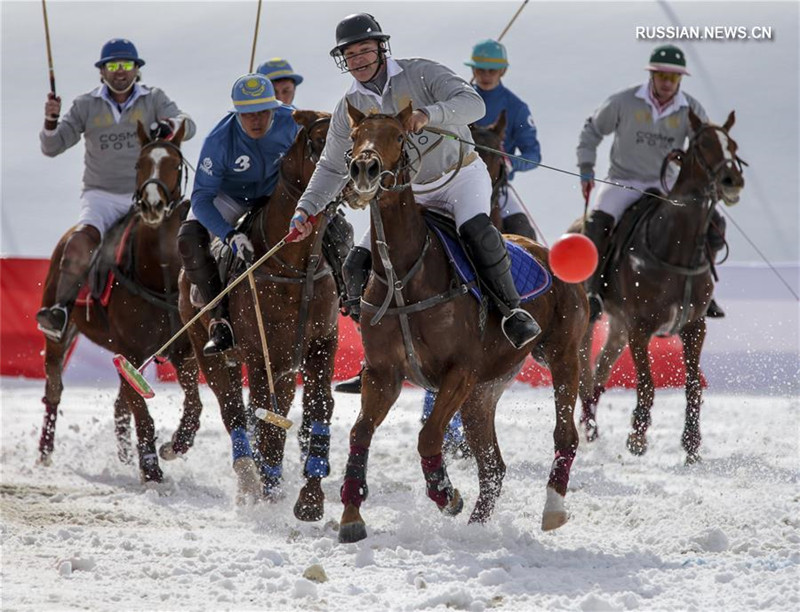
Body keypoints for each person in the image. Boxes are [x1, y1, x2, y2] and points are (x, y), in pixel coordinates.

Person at [289, 13, 542, 393]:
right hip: (412, 194)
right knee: (357, 265)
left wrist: (430, 113)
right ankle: (374, 356)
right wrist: (306, 210)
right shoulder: (350, 105)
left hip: (459, 176)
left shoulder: (421, 73)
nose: (357, 59)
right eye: (349, 54)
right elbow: (330, 165)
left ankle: (512, 313)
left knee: (476, 231)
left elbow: (474, 105)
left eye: (364, 50)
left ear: (380, 48)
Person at [36, 38, 196, 342]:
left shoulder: (153, 98)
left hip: (148, 197)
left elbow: (189, 124)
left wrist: (171, 124)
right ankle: (60, 310)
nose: (119, 71)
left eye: (126, 65)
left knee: (186, 242)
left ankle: (203, 313)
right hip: (102, 197)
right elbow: (52, 147)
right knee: (79, 244)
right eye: (112, 66)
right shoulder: (86, 104)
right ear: (102, 72)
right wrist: (51, 119)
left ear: (136, 69)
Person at [577, 44, 727, 322]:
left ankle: (704, 292)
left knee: (715, 224)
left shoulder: (691, 108)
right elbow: (593, 129)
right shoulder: (624, 101)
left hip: (668, 186)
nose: (667, 83)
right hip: (623, 181)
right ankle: (593, 292)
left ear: (680, 79)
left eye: (673, 77)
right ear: (652, 75)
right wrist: (586, 167)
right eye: (662, 76)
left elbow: (707, 147)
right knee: (596, 225)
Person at [178, 73, 297, 355]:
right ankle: (219, 320)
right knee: (188, 237)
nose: (256, 121)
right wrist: (229, 235)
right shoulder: (219, 141)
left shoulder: (293, 122)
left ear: (274, 108)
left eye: (263, 112)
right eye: (247, 115)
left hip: (277, 195)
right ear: (237, 113)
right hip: (231, 197)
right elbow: (202, 198)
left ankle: (348, 299)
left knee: (336, 226)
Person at [466, 39, 540, 240]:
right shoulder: (461, 99)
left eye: (492, 70)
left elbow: (533, 155)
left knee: (522, 230)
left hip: (497, 188)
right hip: (458, 181)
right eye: (480, 69)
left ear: (503, 71)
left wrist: (509, 162)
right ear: (473, 70)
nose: (486, 75)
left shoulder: (517, 108)